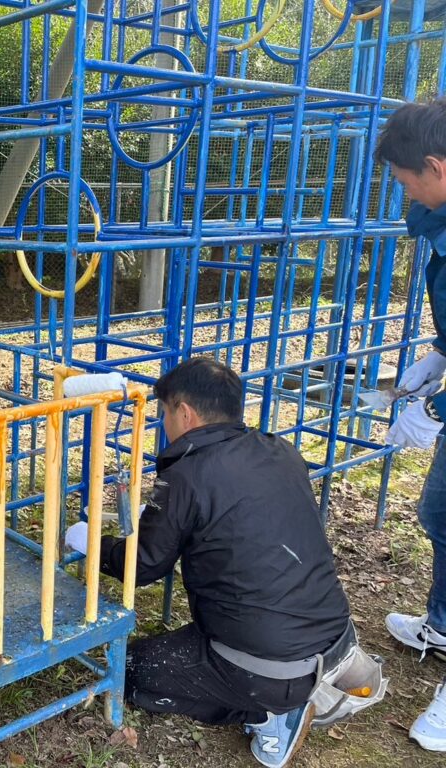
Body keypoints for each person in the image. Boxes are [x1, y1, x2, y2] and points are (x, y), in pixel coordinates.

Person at [66, 357, 355, 768]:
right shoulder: (282, 450)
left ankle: (271, 712)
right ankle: (288, 687)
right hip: (334, 638)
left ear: (184, 412)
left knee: (129, 669)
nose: (164, 424)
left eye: (164, 413)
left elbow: (145, 565)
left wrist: (93, 545)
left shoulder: (190, 474)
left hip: (273, 667)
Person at [374, 97, 446, 753]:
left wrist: (434, 411)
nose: (403, 192)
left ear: (435, 166)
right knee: (440, 512)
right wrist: (440, 355)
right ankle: (444, 625)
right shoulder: (439, 217)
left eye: (404, 179)